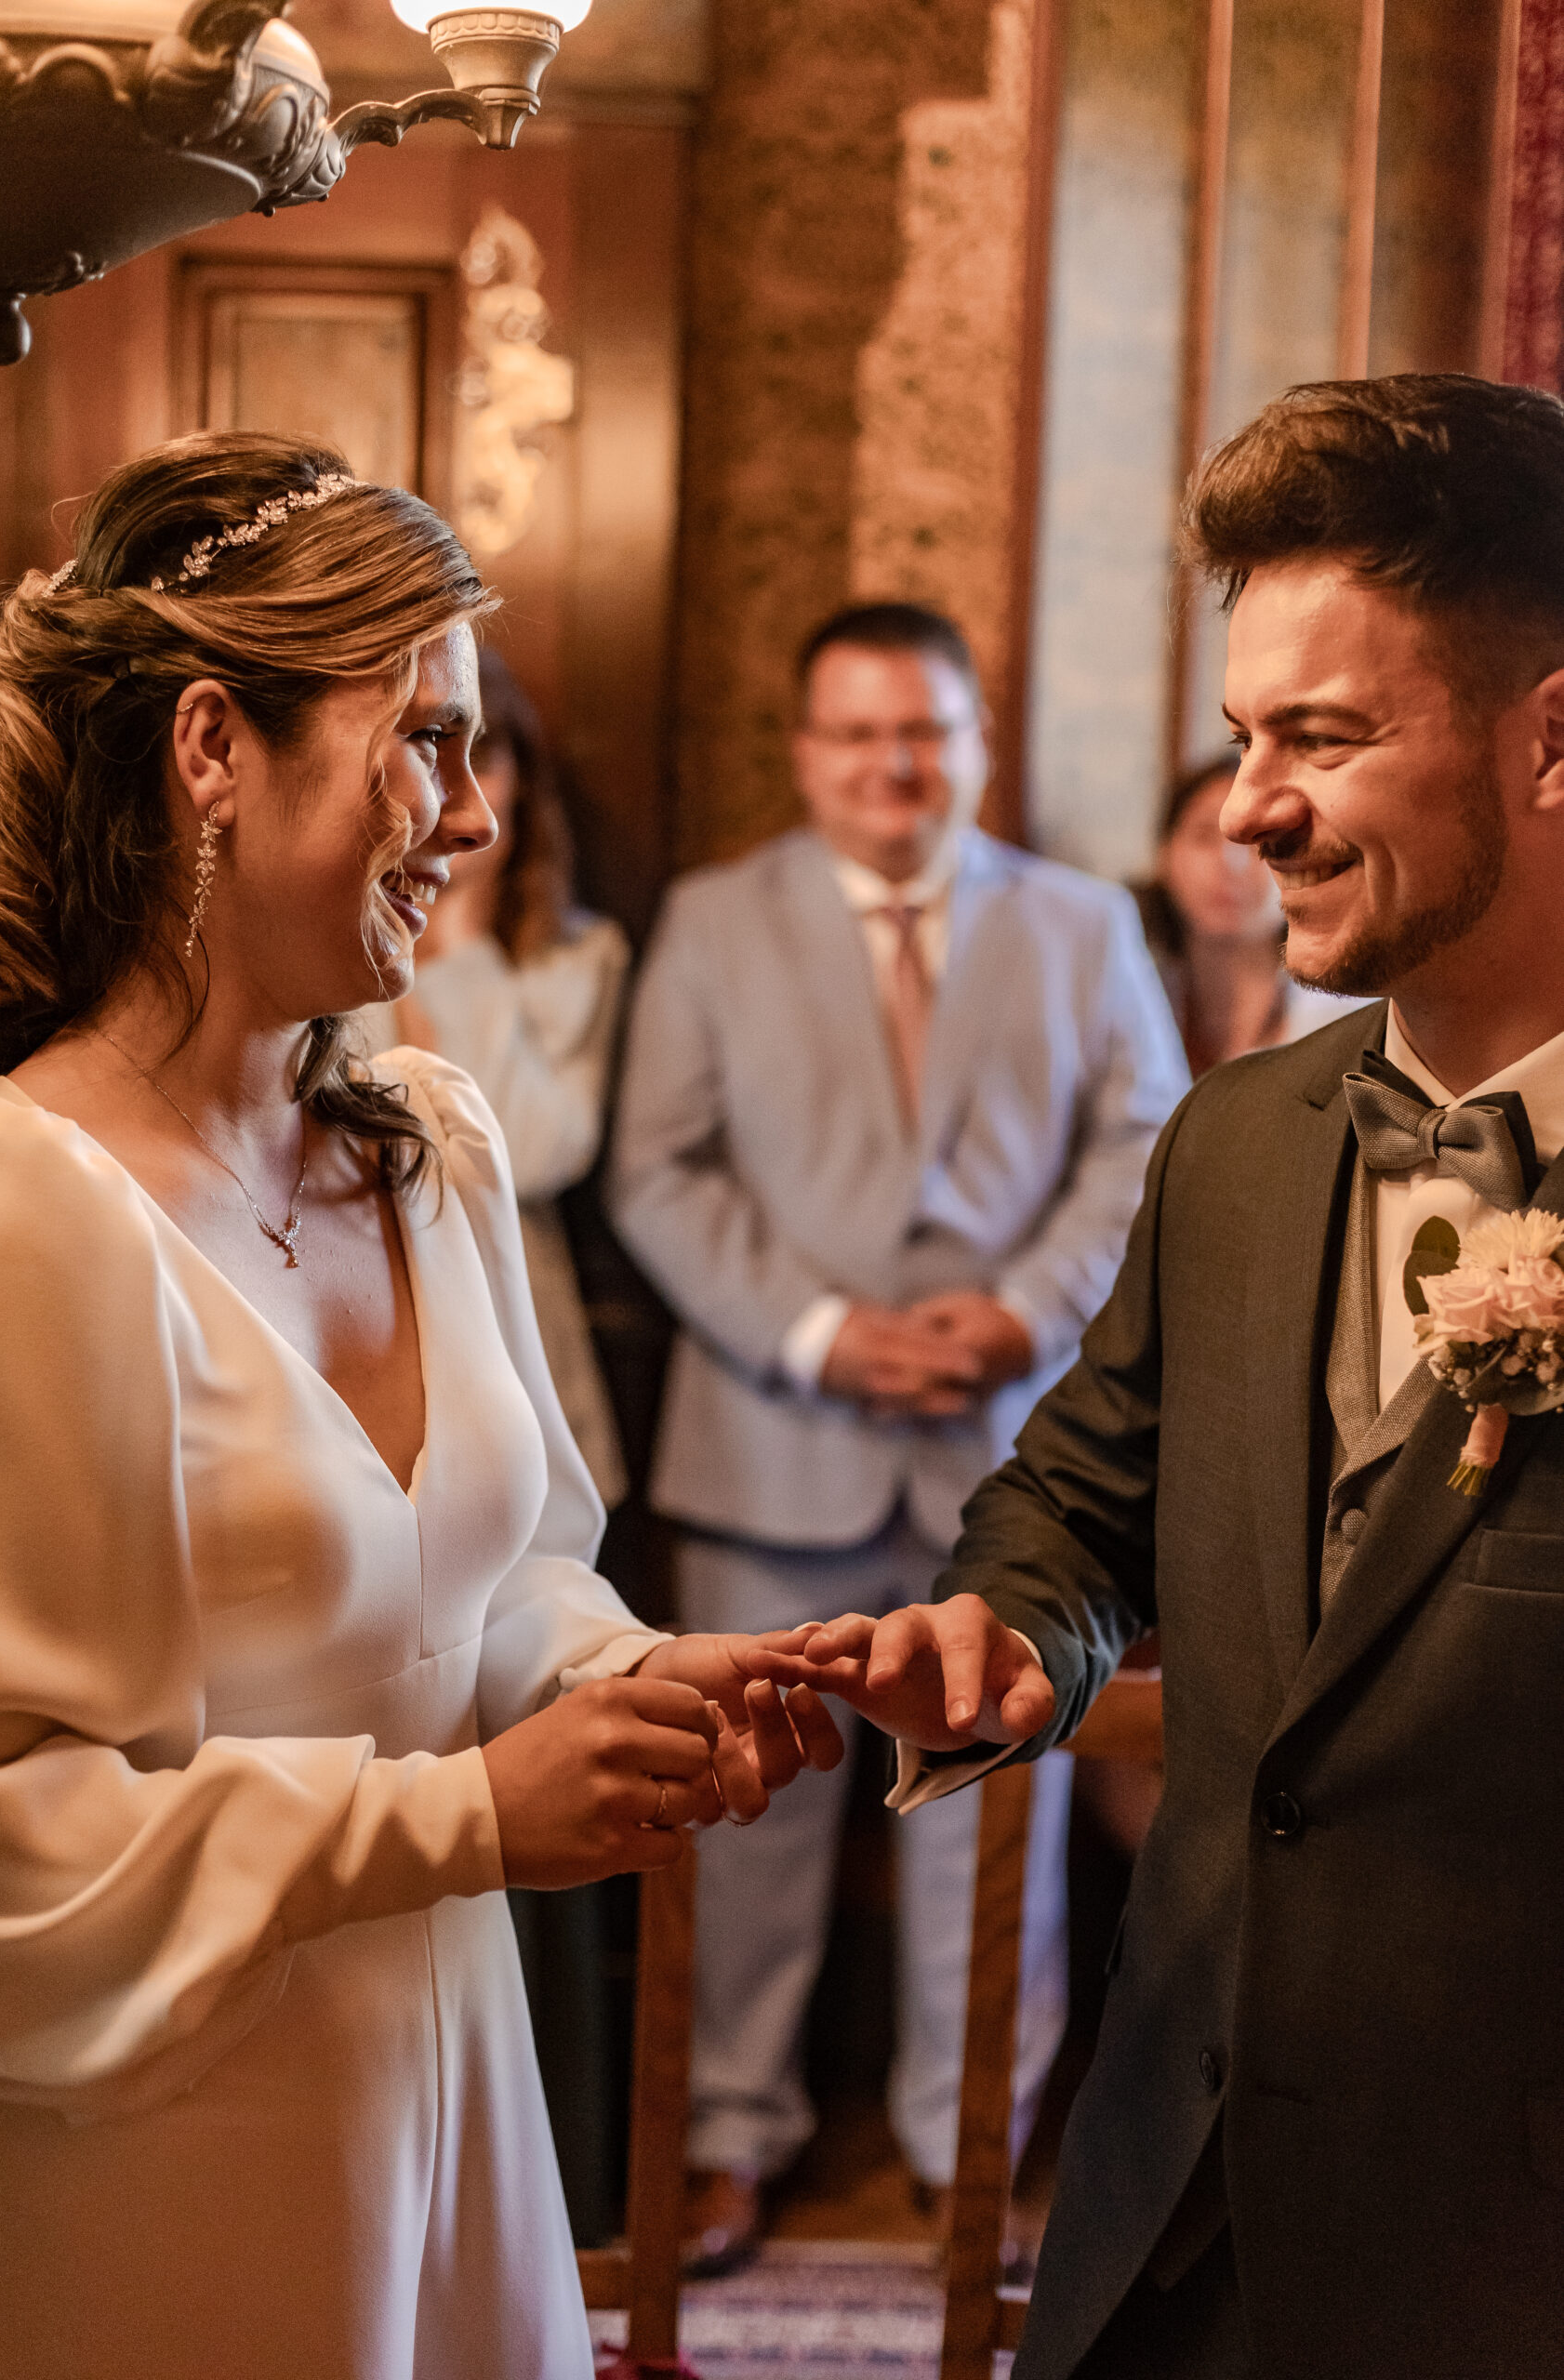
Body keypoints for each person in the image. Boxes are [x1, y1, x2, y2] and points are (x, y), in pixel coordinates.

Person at [0, 430, 845, 2380]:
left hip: (454, 2074)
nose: (473, 813)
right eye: (425, 741)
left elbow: (496, 1570)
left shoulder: (425, 1141)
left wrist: (629, 1679)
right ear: (213, 747)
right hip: (172, 2135)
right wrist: (456, 1815)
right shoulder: (22, 1207)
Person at [757, 373, 1564, 2378]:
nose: (1244, 808)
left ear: (1549, 738)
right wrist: (1010, 1624)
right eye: (1241, 737)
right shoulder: (1233, 1141)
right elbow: (1079, 1490)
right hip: (1164, 2228)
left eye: (1321, 736)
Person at [607, 601, 1187, 2266]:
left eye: (923, 732)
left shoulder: (1079, 921)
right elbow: (659, 1168)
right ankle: (726, 2136)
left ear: (975, 744)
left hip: (1016, 1459)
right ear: (804, 754)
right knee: (744, 1819)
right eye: (857, 735)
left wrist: (1018, 1314)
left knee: (994, 1827)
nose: (893, 767)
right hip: (768, 1442)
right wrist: (816, 1333)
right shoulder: (712, 920)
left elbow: (1148, 1143)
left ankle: (966, 2149)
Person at [363, 648, 629, 1507]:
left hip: (517, 1330)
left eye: (488, 754)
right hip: (361, 1313)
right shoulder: (334, 944)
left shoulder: (575, 955)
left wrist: (462, 945)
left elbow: (538, 1152)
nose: (459, 790)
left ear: (521, 782)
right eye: (429, 747)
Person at [1136, 755, 1363, 1077]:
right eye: (1204, 836)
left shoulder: (1349, 1017)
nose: (1231, 863)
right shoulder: (1125, 986)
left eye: (1260, 841)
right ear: (1163, 855)